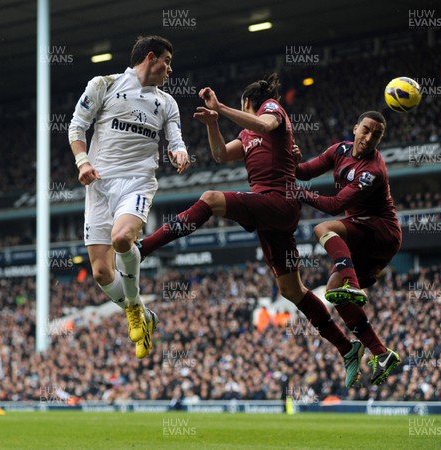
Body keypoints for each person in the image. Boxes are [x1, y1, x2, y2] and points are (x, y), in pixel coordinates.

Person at [138, 74, 364, 388]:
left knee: (211, 199)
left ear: (248, 103)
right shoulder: (246, 134)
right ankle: (347, 347)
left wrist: (221, 106)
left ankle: (145, 247)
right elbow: (219, 154)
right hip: (270, 214)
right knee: (291, 290)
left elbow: (266, 126)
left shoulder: (272, 110)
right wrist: (212, 123)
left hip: (278, 200)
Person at [68, 35, 191, 359]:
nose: (170, 69)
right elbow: (77, 127)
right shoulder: (104, 85)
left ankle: (133, 307)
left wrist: (179, 153)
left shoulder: (166, 103)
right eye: (166, 61)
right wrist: (83, 162)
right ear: (151, 57)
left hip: (136, 183)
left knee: (122, 238)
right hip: (98, 186)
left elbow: (176, 139)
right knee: (101, 272)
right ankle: (142, 312)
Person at [294, 111, 401, 385]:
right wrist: (288, 158)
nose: (368, 138)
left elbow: (335, 205)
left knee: (323, 228)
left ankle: (352, 284)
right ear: (355, 128)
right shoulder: (339, 150)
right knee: (333, 293)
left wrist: (299, 193)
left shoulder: (373, 171)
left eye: (376, 135)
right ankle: (380, 352)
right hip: (363, 232)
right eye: (365, 130)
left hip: (381, 231)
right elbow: (304, 171)